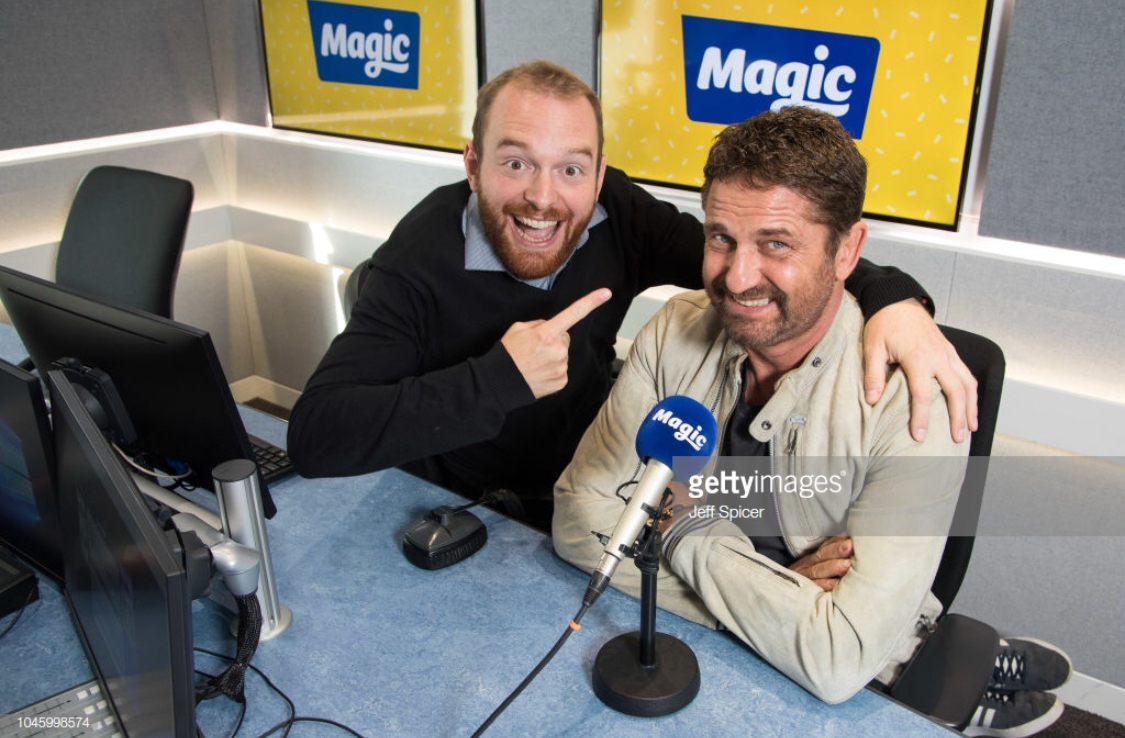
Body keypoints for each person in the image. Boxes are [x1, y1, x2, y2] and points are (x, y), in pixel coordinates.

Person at [287, 60, 977, 533]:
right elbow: (316, 438)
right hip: (469, 510)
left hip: (602, 483)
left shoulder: (614, 211)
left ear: (598, 178)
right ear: (473, 165)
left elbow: (750, 259)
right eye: (516, 162)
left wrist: (893, 298)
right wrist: (495, 381)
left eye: (571, 169)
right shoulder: (417, 259)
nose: (542, 197)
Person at [552, 107, 1069, 736]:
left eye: (777, 244)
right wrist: (768, 595)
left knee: (887, 662)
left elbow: (837, 659)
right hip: (726, 630)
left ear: (847, 249)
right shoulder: (672, 332)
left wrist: (679, 528)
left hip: (835, 680)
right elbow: (577, 519)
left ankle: (952, 660)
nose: (738, 277)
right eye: (721, 238)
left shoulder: (912, 399)